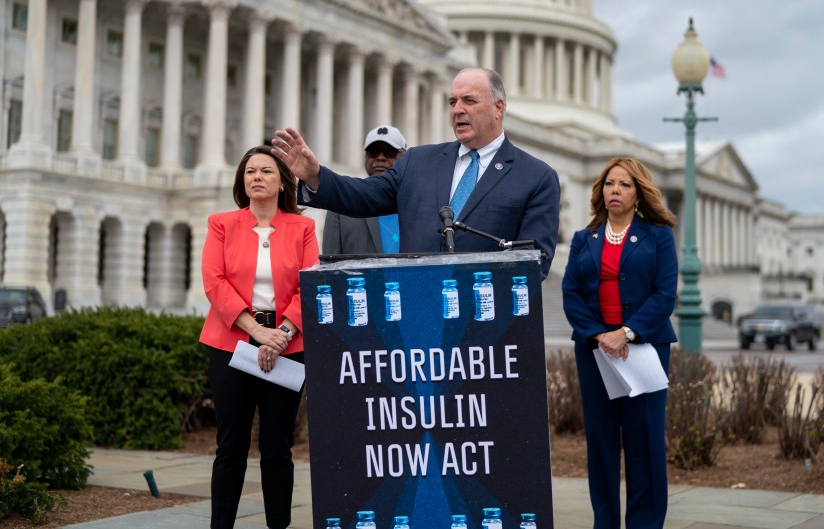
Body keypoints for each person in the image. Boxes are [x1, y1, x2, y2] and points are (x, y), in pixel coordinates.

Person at [272, 67, 560, 278]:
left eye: (469, 101)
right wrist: (315, 175)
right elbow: (363, 195)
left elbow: (535, 262)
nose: (457, 110)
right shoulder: (418, 162)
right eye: (452, 102)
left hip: (487, 325)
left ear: (498, 108)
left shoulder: (535, 177)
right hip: (416, 313)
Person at [199, 144, 319, 529]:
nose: (257, 177)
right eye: (250, 171)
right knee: (230, 443)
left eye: (266, 171)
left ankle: (278, 525)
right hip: (232, 341)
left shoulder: (303, 227)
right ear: (241, 181)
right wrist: (256, 331)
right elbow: (214, 282)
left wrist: (280, 335)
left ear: (283, 181)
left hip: (288, 343)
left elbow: (309, 282)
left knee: (276, 446)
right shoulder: (221, 224)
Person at [561, 157, 679, 529]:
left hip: (643, 348)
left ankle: (645, 522)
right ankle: (606, 522)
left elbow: (664, 294)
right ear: (601, 191)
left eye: (625, 185)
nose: (616, 190)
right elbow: (570, 294)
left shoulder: (658, 235)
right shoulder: (584, 238)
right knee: (601, 441)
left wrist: (626, 332)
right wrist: (599, 334)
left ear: (638, 193)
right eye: (610, 183)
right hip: (595, 351)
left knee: (644, 441)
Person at [322, 125, 408, 256]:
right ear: (365, 158)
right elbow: (330, 263)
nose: (380, 158)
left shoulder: (417, 202)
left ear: (404, 158)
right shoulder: (341, 205)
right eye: (373, 152)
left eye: (389, 152)